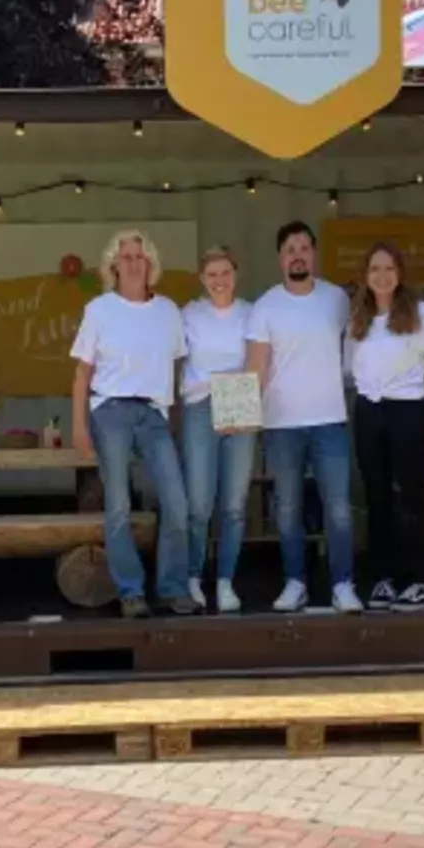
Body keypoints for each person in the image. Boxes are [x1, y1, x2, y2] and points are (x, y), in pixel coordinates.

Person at [70, 230, 196, 618]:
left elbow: (175, 371)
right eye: (126, 257)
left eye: (140, 256)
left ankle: (173, 587)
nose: (134, 263)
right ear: (113, 265)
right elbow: (82, 373)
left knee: (177, 502)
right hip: (111, 410)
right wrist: (78, 426)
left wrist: (173, 423)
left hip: (154, 413)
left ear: (151, 264)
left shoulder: (169, 311)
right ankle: (130, 591)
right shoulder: (99, 309)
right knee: (120, 503)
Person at [245, 221, 362, 614]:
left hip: (330, 419)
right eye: (289, 249)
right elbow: (256, 369)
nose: (297, 254)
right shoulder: (265, 307)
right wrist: (241, 415)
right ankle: (295, 582)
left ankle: (343, 584)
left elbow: (360, 348)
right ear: (280, 259)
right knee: (288, 508)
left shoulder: (337, 300)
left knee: (339, 507)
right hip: (281, 425)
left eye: (304, 247)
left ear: (314, 253)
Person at [347, 241, 424, 612]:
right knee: (376, 498)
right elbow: (350, 369)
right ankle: (384, 579)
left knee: (411, 496)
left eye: (389, 269)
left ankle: (420, 582)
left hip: (406, 411)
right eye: (374, 269)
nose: (382, 276)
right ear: (365, 276)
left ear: (400, 274)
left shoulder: (421, 313)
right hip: (369, 411)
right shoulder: (358, 319)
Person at [178, 247, 256, 614]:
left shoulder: (250, 313)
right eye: (212, 274)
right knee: (198, 502)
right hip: (199, 406)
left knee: (235, 503)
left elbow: (260, 359)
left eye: (225, 272)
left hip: (239, 402)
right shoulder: (189, 315)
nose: (219, 281)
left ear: (235, 274)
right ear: (202, 279)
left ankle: (225, 580)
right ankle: (193, 575)